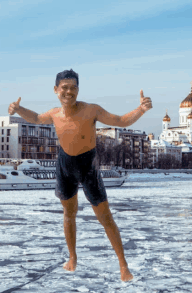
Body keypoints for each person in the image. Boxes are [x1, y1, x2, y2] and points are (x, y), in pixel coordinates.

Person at [8, 69, 152, 282]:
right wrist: (19, 109)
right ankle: (72, 257)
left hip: (88, 165)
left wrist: (140, 109)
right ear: (56, 90)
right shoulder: (54, 114)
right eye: (64, 88)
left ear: (78, 90)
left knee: (105, 217)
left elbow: (120, 120)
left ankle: (123, 265)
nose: (68, 92)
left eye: (73, 87)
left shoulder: (91, 110)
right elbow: (37, 118)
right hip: (65, 165)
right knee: (69, 214)